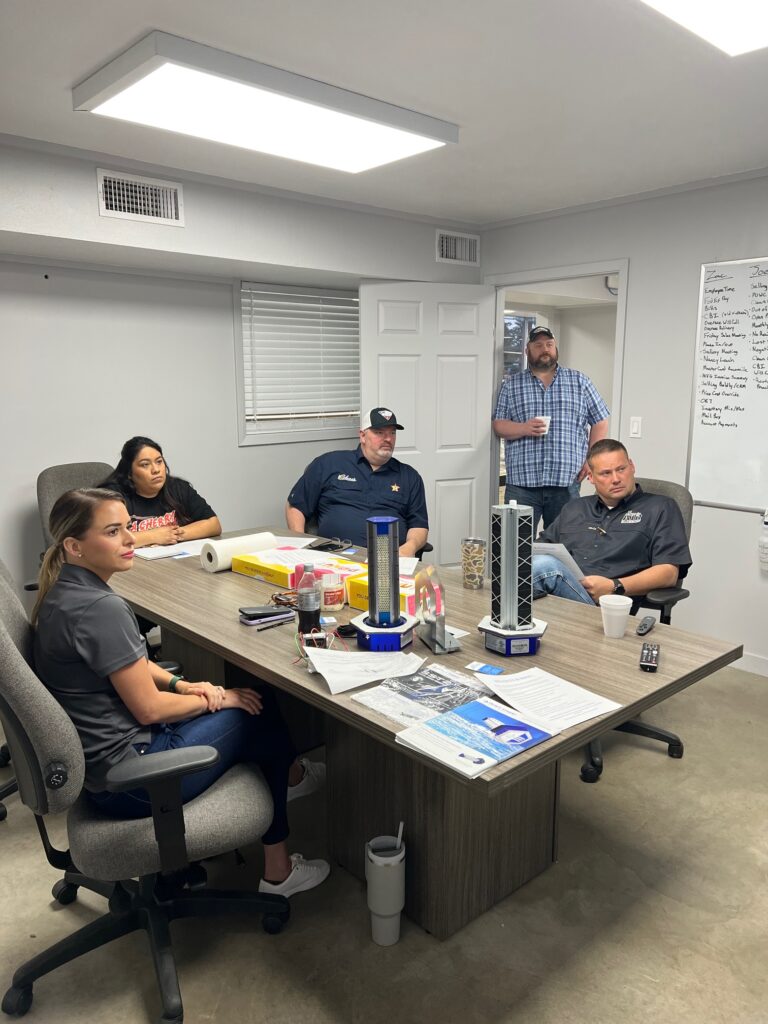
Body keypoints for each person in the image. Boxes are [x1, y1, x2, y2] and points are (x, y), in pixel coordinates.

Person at [32, 488, 329, 898]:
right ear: (74, 546)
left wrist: (182, 684)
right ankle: (279, 871)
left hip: (99, 769)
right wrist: (219, 698)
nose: (131, 540)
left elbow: (129, 663)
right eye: (114, 532)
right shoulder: (100, 608)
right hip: (134, 779)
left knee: (243, 698)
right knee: (257, 705)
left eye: (128, 528)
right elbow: (150, 710)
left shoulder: (64, 591)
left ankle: (289, 777)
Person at [532, 439, 692, 605]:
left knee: (546, 567)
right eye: (606, 473)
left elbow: (668, 574)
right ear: (591, 477)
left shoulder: (660, 507)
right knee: (520, 564)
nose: (616, 479)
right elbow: (537, 550)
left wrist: (614, 586)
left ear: (632, 466)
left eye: (621, 469)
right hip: (556, 594)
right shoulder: (575, 508)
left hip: (607, 605)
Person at [492, 326, 610, 531]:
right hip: (522, 483)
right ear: (527, 351)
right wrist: (524, 428)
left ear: (555, 349)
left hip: (566, 481)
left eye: (549, 344)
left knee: (564, 544)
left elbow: (600, 420)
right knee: (513, 544)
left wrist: (592, 460)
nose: (544, 349)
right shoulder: (512, 385)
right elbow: (499, 425)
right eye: (538, 345)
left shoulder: (579, 381)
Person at [285, 407, 429, 555]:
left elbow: (419, 525)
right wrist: (301, 546)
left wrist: (410, 547)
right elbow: (296, 506)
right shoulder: (329, 463)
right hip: (334, 556)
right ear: (362, 436)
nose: (388, 439)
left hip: (388, 560)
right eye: (379, 432)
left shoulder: (409, 476)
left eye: (392, 433)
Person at [100, 436, 222, 548]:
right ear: (129, 473)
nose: (156, 470)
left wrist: (174, 535)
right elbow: (105, 541)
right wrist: (153, 536)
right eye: (145, 465)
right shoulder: (113, 497)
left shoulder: (178, 487)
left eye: (159, 461)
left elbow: (213, 524)